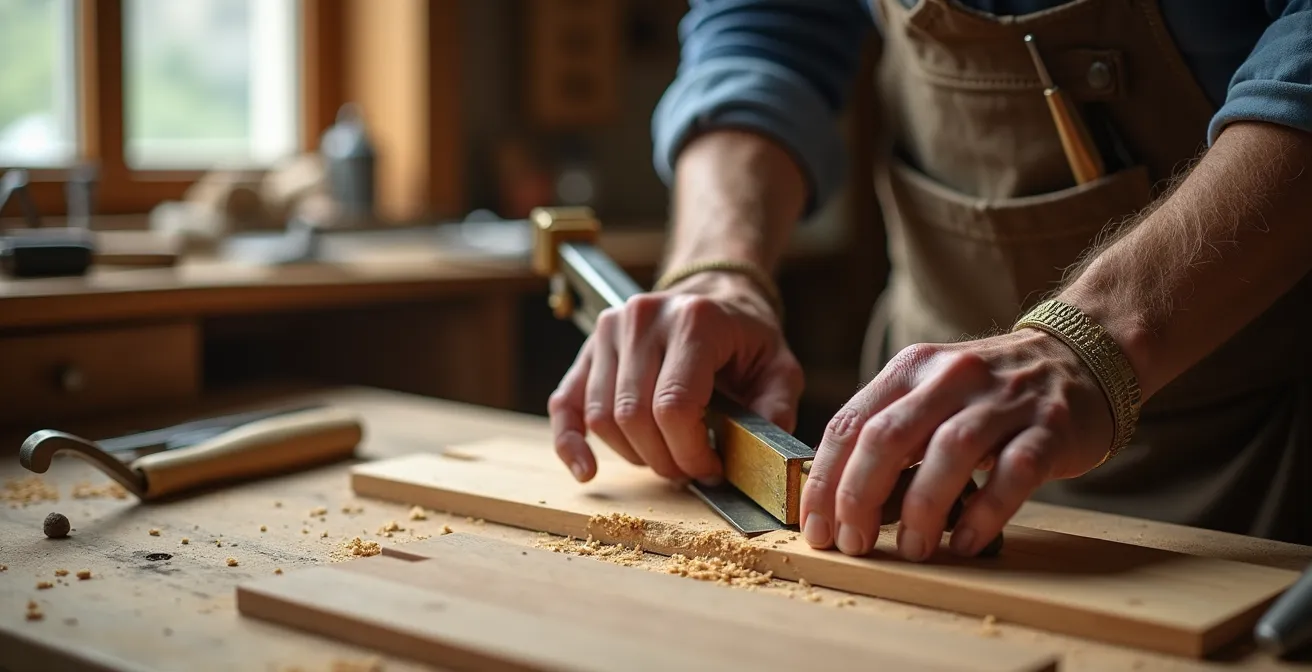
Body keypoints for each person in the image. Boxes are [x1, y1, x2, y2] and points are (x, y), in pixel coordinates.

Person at [547, 0, 1312, 559]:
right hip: (917, 443)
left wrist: (1092, 341)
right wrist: (718, 269)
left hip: (1260, 457)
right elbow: (767, 25)